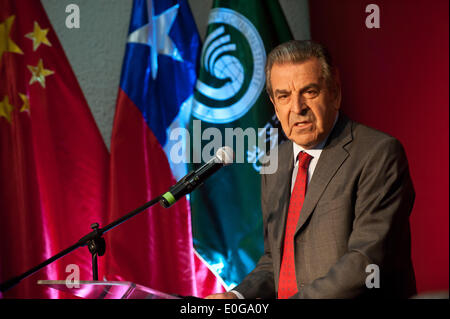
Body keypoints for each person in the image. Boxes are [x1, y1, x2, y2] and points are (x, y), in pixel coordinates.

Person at [206, 40, 416, 299]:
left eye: (310, 92)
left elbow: (364, 262)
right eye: (284, 96)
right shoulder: (275, 163)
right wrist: (237, 297)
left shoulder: (378, 154)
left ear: (335, 93)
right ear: (274, 104)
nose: (297, 108)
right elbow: (276, 260)